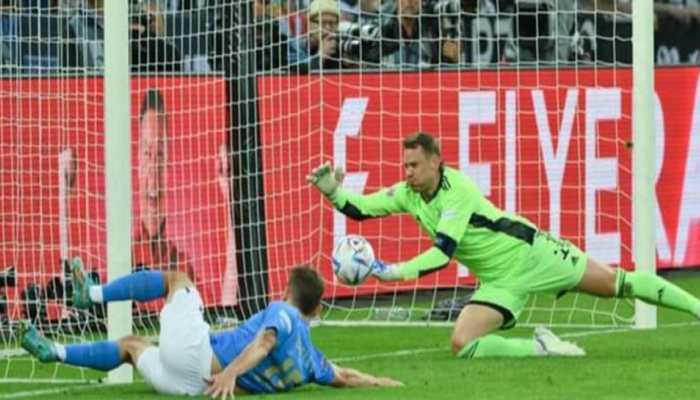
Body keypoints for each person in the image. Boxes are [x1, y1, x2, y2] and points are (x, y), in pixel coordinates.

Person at [307, 132, 700, 359]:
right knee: (462, 343)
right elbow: (363, 208)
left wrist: (395, 271)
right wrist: (334, 193)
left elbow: (443, 253)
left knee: (617, 284)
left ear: (436, 162)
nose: (407, 173)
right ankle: (544, 349)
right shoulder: (408, 194)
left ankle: (697, 308)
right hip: (498, 280)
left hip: (532, 252)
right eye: (405, 165)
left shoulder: (456, 190)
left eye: (414, 165)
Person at [21, 259, 402, 398]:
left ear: (286, 292)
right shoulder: (312, 360)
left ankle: (91, 293)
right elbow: (343, 376)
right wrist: (383, 382)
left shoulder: (283, 314)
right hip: (190, 388)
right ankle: (52, 351)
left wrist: (231, 374)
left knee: (177, 279)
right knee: (131, 346)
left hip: (206, 365)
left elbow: (264, 343)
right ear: (318, 307)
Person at [134, 89, 194, 280]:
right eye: (147, 153)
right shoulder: (120, 263)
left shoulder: (182, 268)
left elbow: (226, 306)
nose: (153, 166)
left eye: (160, 153)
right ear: (136, 161)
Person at [288, 0, 341, 72]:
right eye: (322, 22)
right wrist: (320, 56)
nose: (328, 28)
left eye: (332, 23)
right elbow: (300, 80)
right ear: (310, 24)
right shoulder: (296, 48)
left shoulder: (342, 46)